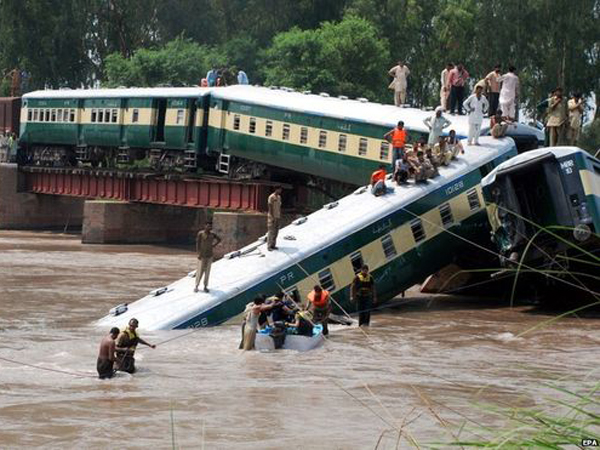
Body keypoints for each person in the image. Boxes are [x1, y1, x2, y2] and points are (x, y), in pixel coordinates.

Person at [194, 222, 221, 293]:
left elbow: (219, 239)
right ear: (205, 226)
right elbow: (198, 244)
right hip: (202, 255)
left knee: (207, 272)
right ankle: (196, 286)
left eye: (210, 227)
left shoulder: (212, 234)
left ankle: (205, 286)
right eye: (207, 226)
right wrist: (198, 253)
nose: (209, 228)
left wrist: (214, 245)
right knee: (200, 271)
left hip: (209, 255)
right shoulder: (200, 234)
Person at [267, 186, 282, 251]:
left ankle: (273, 245)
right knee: (271, 231)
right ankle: (269, 246)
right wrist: (271, 216)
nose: (280, 191)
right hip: (272, 217)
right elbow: (270, 207)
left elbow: (279, 207)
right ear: (276, 189)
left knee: (276, 231)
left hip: (277, 216)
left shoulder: (279, 197)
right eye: (279, 189)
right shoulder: (271, 197)